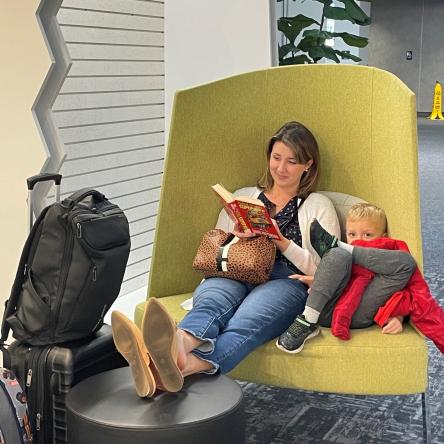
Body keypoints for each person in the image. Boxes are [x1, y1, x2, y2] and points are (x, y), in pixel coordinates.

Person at [111, 120, 340, 396]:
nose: (281, 168)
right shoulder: (245, 196)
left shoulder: (319, 206)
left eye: (291, 162)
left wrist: (282, 241)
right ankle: (177, 348)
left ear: (308, 165)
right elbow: (217, 250)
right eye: (276, 158)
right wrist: (236, 235)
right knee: (210, 304)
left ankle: (166, 364)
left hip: (287, 280)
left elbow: (329, 270)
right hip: (236, 269)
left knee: (245, 321)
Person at [277, 203, 444, 355]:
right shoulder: (340, 257)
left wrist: (398, 317)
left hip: (359, 314)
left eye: (368, 234)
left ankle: (343, 248)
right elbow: (328, 277)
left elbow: (409, 295)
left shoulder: (388, 258)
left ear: (383, 236)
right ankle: (307, 321)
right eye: (352, 234)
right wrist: (316, 280)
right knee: (337, 254)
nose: (358, 240)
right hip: (325, 310)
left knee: (406, 262)